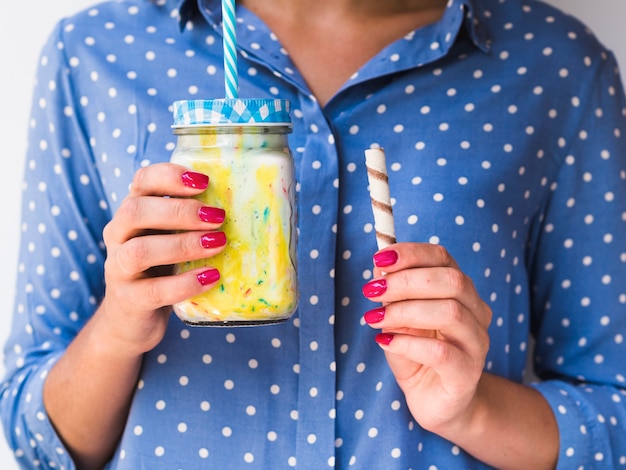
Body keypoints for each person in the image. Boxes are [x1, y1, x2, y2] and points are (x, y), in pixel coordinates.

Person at [1, 0, 625, 468]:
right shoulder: (96, 51)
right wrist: (119, 325)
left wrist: (472, 408)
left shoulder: (553, 66)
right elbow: (34, 434)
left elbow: (614, 414)